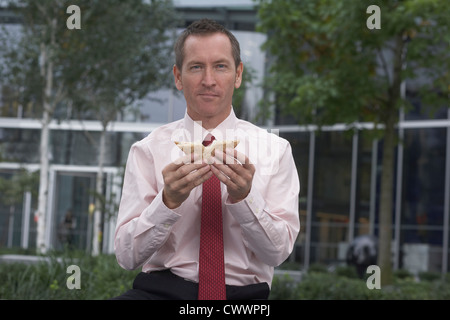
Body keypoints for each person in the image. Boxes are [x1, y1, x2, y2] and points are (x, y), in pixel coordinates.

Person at [112, 18, 300, 300]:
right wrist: (167, 202)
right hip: (161, 292)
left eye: (220, 66)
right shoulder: (148, 151)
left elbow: (277, 253)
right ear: (178, 76)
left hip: (243, 298)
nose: (208, 80)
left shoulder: (275, 150)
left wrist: (246, 197)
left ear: (238, 75)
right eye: (196, 67)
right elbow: (126, 257)